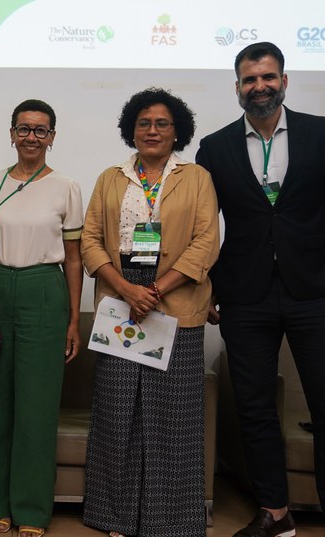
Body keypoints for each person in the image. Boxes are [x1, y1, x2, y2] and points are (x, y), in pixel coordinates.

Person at [196, 42, 325, 537]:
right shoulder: (216, 146)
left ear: (285, 81)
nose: (260, 87)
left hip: (313, 291)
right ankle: (276, 513)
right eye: (250, 80)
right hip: (245, 295)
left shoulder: (318, 134)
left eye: (268, 77)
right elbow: (205, 227)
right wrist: (206, 285)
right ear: (237, 88)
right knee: (253, 406)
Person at [81, 88, 220, 537]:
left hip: (177, 309)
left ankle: (170, 521)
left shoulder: (196, 176)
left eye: (162, 123)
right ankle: (114, 516)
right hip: (121, 311)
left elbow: (205, 242)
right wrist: (126, 289)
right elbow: (90, 241)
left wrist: (155, 289)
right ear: (131, 129)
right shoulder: (110, 177)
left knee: (173, 420)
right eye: (144, 123)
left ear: (177, 130)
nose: (153, 130)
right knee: (117, 414)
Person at [0, 99, 83, 537]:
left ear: (53, 137)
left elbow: (73, 259)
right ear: (12, 133)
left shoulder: (67, 187)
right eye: (24, 128)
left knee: (37, 405)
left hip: (44, 290)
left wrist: (74, 319)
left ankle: (32, 510)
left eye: (41, 130)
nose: (32, 137)